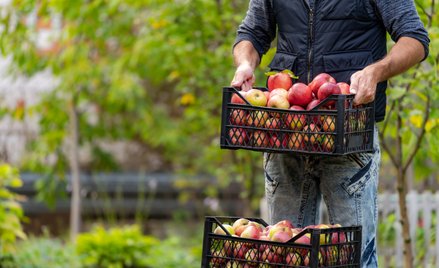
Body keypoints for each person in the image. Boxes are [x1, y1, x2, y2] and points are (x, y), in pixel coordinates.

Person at [230, 0, 429, 267]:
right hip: (285, 133)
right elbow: (252, 33)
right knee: (282, 258)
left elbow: (414, 39)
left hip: (349, 134)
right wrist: (245, 64)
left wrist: (375, 71)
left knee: (352, 259)